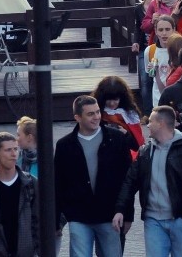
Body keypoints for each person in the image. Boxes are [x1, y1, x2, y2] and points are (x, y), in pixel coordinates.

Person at [113, 106, 182, 257]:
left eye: (151, 121)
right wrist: (120, 210)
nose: (148, 125)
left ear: (162, 123)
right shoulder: (145, 151)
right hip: (153, 221)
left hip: (180, 220)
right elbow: (130, 182)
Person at [55, 95, 134, 257]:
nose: (97, 117)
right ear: (77, 117)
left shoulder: (117, 139)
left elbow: (127, 180)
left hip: (110, 216)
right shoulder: (64, 146)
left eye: (98, 112)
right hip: (79, 216)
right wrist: (57, 218)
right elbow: (58, 184)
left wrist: (127, 214)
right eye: (90, 114)